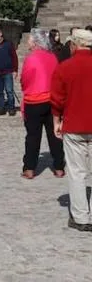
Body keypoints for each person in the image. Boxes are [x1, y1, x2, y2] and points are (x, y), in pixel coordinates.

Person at [51, 28, 92, 231]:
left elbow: (57, 99)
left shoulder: (65, 67)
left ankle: (81, 216)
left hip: (74, 125)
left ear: (74, 45)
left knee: (77, 172)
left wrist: (56, 121)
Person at [20, 28, 64, 179]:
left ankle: (30, 168)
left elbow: (25, 79)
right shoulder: (52, 57)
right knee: (54, 134)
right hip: (51, 100)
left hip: (34, 100)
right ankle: (59, 166)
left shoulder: (31, 58)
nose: (28, 42)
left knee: (33, 136)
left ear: (35, 42)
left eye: (30, 39)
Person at [0, 26, 18, 116]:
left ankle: (11, 108)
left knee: (9, 91)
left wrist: (15, 70)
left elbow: (14, 57)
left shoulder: (8, 44)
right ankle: (1, 108)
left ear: (0, 33)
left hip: (7, 72)